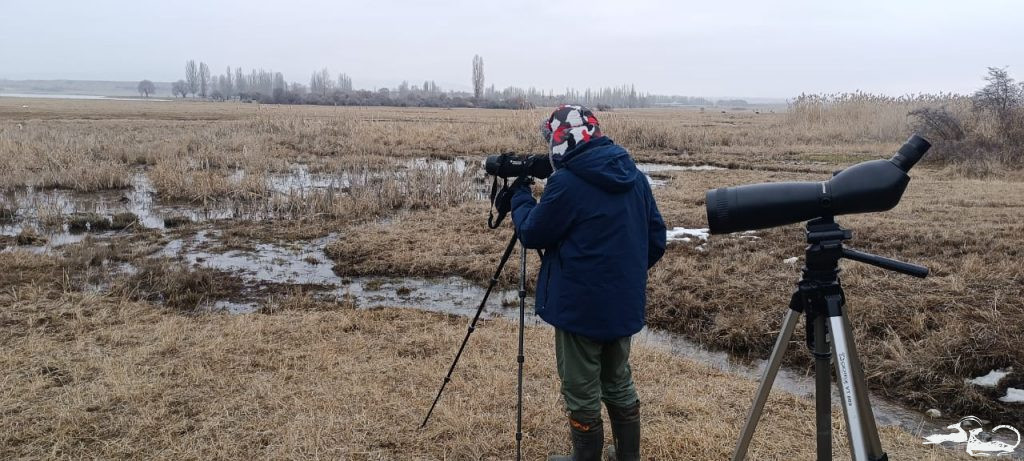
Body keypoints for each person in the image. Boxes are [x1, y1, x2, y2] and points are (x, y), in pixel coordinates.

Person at [509, 105, 667, 461]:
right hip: (622, 303)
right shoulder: (634, 176)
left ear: (560, 141)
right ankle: (627, 457)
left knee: (580, 388)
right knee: (618, 379)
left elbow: (532, 232)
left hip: (579, 308)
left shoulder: (567, 183)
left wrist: (519, 198)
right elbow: (656, 239)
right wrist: (623, 275)